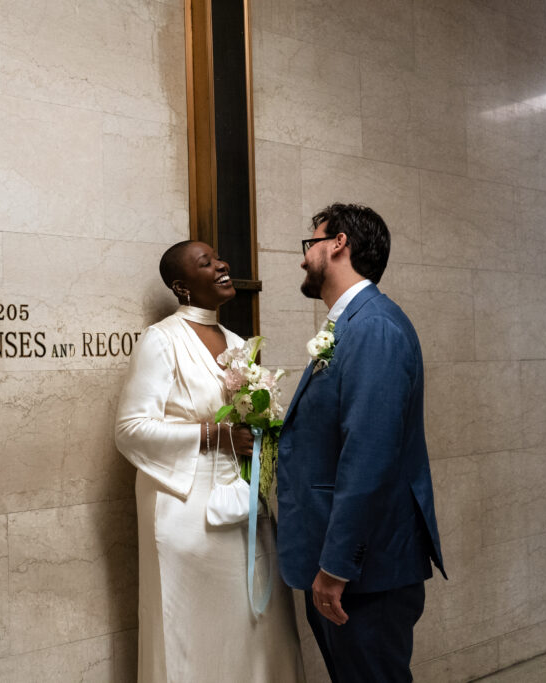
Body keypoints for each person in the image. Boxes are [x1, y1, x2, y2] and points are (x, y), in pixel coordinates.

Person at [115, 240, 302, 682]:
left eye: (220, 257)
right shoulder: (162, 340)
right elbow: (130, 429)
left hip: (242, 506)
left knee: (259, 626)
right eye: (207, 262)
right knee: (191, 632)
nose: (222, 264)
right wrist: (213, 434)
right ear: (181, 286)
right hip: (184, 511)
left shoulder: (238, 345)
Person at [276, 204, 446, 682]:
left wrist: (335, 567)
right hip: (348, 565)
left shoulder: (374, 328)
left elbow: (368, 457)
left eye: (310, 244)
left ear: (338, 244)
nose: (303, 258)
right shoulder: (351, 324)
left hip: (363, 571)